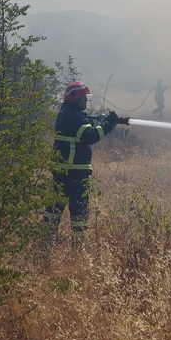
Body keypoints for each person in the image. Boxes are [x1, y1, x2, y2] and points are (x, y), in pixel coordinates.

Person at [44, 81, 122, 241]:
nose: (86, 102)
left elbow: (81, 128)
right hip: (75, 174)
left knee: (54, 208)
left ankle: (45, 241)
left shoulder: (65, 114)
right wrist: (108, 125)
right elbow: (90, 136)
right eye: (84, 98)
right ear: (75, 98)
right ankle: (78, 246)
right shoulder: (76, 118)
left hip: (61, 172)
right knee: (79, 212)